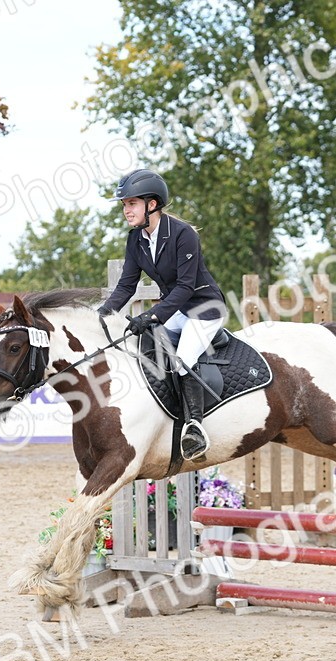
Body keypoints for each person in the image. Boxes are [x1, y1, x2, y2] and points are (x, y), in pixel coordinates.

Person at [97, 168, 225, 461]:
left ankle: (194, 428)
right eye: (124, 205)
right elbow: (127, 285)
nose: (126, 210)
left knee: (182, 362)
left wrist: (153, 316)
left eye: (131, 203)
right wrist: (103, 315)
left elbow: (185, 286)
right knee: (147, 351)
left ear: (151, 204)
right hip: (178, 309)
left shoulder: (183, 234)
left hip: (203, 309)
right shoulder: (136, 239)